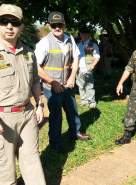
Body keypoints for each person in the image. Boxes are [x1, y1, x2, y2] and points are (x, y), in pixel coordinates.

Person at [0, 4, 46, 185]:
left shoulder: (28, 52)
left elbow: (35, 80)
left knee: (32, 161)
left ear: (21, 27)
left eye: (14, 22)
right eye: (4, 22)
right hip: (3, 118)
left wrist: (40, 104)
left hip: (27, 114)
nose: (9, 26)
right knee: (5, 168)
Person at [35, 11, 90, 153]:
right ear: (49, 26)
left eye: (60, 24)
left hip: (67, 84)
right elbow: (36, 67)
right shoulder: (44, 43)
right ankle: (55, 143)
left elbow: (76, 58)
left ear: (64, 25)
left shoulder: (69, 38)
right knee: (56, 115)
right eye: (54, 25)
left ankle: (75, 132)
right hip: (51, 87)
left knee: (72, 110)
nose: (57, 28)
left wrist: (72, 77)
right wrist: (53, 82)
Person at [76, 27, 100, 108]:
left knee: (89, 86)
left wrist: (92, 66)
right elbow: (77, 56)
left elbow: (97, 56)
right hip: (79, 68)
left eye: (85, 34)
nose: (83, 35)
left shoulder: (92, 44)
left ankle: (91, 101)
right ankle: (84, 100)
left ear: (88, 35)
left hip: (88, 68)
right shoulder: (78, 44)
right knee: (81, 85)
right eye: (81, 34)